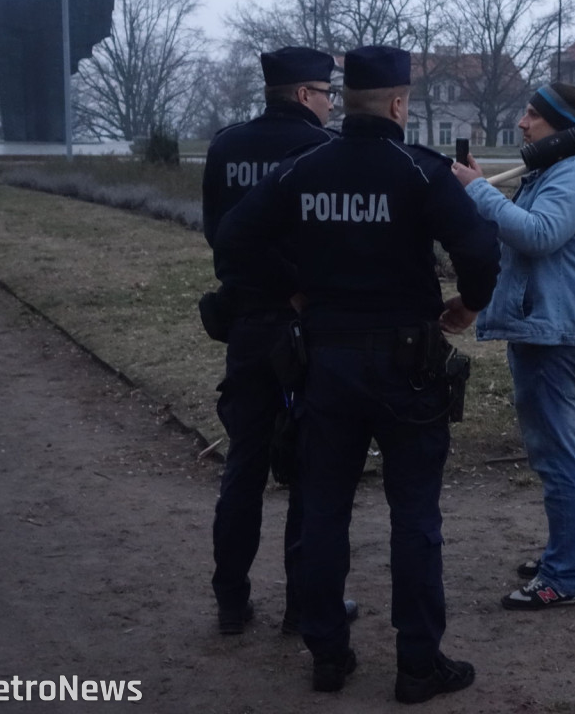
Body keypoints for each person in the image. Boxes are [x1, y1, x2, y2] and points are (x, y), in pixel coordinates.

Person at [214, 45, 500, 703]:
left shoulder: (304, 168)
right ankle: (418, 662)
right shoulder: (419, 171)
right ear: (400, 103)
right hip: (408, 363)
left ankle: (327, 653)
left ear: (343, 101)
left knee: (323, 510)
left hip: (326, 362)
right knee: (414, 514)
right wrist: (467, 305)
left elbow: (234, 237)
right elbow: (478, 245)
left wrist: (292, 288)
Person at [201, 46, 356, 635]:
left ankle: (231, 601)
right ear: (302, 95)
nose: (331, 104)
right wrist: (296, 287)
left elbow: (219, 232)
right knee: (310, 467)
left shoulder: (226, 146)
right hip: (304, 324)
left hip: (246, 322)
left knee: (245, 461)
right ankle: (304, 604)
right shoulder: (323, 150)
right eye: (325, 93)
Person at [451, 82, 575, 611]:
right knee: (574, 451)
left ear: (558, 123)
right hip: (555, 326)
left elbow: (540, 234)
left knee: (558, 456)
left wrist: (478, 191)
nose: (522, 124)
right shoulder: (559, 169)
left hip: (555, 332)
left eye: (531, 115)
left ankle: (564, 576)